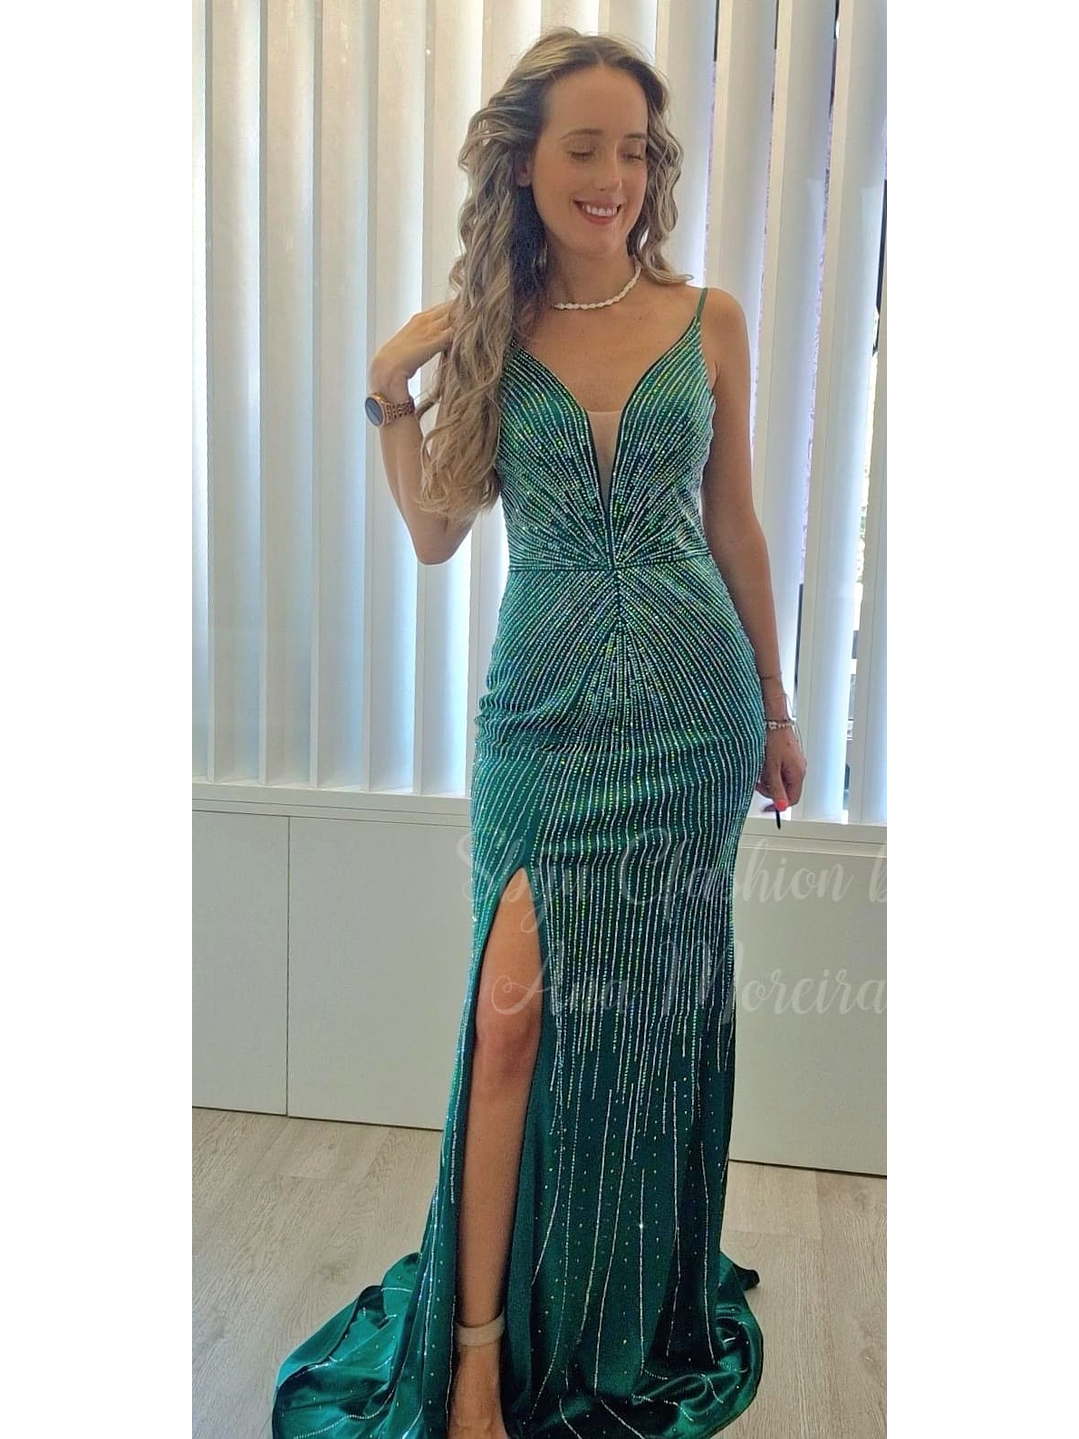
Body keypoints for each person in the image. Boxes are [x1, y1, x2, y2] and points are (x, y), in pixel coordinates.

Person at [272, 26, 806, 1439]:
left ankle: (630, 1307)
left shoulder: (710, 319)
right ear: (521, 163)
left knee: (649, 1021)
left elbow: (738, 527)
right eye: (583, 147)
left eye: (632, 149)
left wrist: (775, 701)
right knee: (508, 1024)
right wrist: (388, 390)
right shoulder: (492, 336)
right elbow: (435, 537)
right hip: (542, 715)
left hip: (692, 711)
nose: (612, 176)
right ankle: (474, 1358)